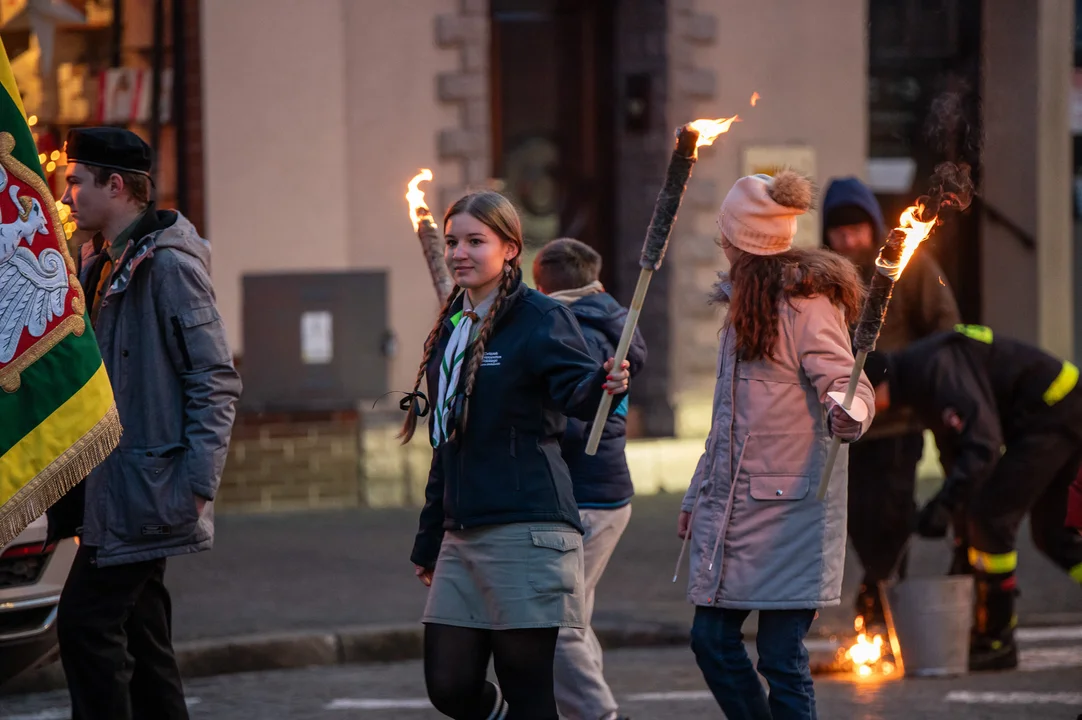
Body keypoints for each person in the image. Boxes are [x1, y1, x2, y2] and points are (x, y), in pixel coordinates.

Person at [402, 191, 631, 720]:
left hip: (526, 527)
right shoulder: (452, 328)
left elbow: (579, 393)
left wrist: (606, 383)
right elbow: (445, 441)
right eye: (453, 240)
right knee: (450, 686)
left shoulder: (541, 317)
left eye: (475, 241)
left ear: (509, 249)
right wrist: (430, 533)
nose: (459, 252)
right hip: (462, 532)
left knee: (529, 690)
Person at [52, 127, 241, 719]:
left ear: (116, 185)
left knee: (85, 625)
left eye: (77, 181)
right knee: (143, 638)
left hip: (146, 489)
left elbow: (214, 378)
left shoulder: (167, 266)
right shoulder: (101, 260)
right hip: (116, 486)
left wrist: (197, 484)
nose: (67, 193)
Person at [677, 170, 874, 720]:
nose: (721, 241)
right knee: (710, 641)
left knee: (782, 656)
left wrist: (847, 409)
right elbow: (725, 423)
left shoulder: (808, 305)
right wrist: (697, 493)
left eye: (725, 234)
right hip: (734, 505)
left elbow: (849, 382)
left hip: (791, 513)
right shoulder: (740, 307)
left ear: (739, 241)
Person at [863, 325, 1082, 671]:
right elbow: (960, 455)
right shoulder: (919, 379)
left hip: (1052, 410)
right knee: (1052, 535)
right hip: (1061, 405)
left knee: (991, 519)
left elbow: (982, 445)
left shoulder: (932, 371)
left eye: (864, 399)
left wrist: (945, 506)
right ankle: (992, 633)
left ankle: (996, 639)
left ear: (875, 385)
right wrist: (953, 517)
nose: (866, 412)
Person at [821, 176, 961, 629]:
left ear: (873, 226)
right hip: (846, 423)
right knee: (856, 514)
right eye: (838, 231)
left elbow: (944, 331)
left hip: (897, 420)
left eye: (856, 229)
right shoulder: (824, 278)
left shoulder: (910, 267)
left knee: (894, 510)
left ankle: (880, 596)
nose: (848, 239)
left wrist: (899, 381)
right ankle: (876, 589)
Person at [533, 238, 647, 720]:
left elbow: (575, 419)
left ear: (543, 285)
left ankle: (598, 713)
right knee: (573, 617)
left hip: (586, 492)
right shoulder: (613, 321)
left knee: (556, 622)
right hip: (600, 492)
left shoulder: (573, 329)